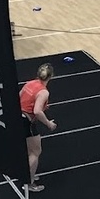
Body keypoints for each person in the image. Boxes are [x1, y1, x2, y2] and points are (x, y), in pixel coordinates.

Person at [19, 63, 58, 192]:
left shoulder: (29, 83)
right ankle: (28, 183)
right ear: (51, 76)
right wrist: (48, 123)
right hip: (27, 122)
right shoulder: (44, 92)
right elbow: (37, 111)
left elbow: (20, 97)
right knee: (35, 152)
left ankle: (29, 174)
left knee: (28, 150)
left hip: (18, 118)